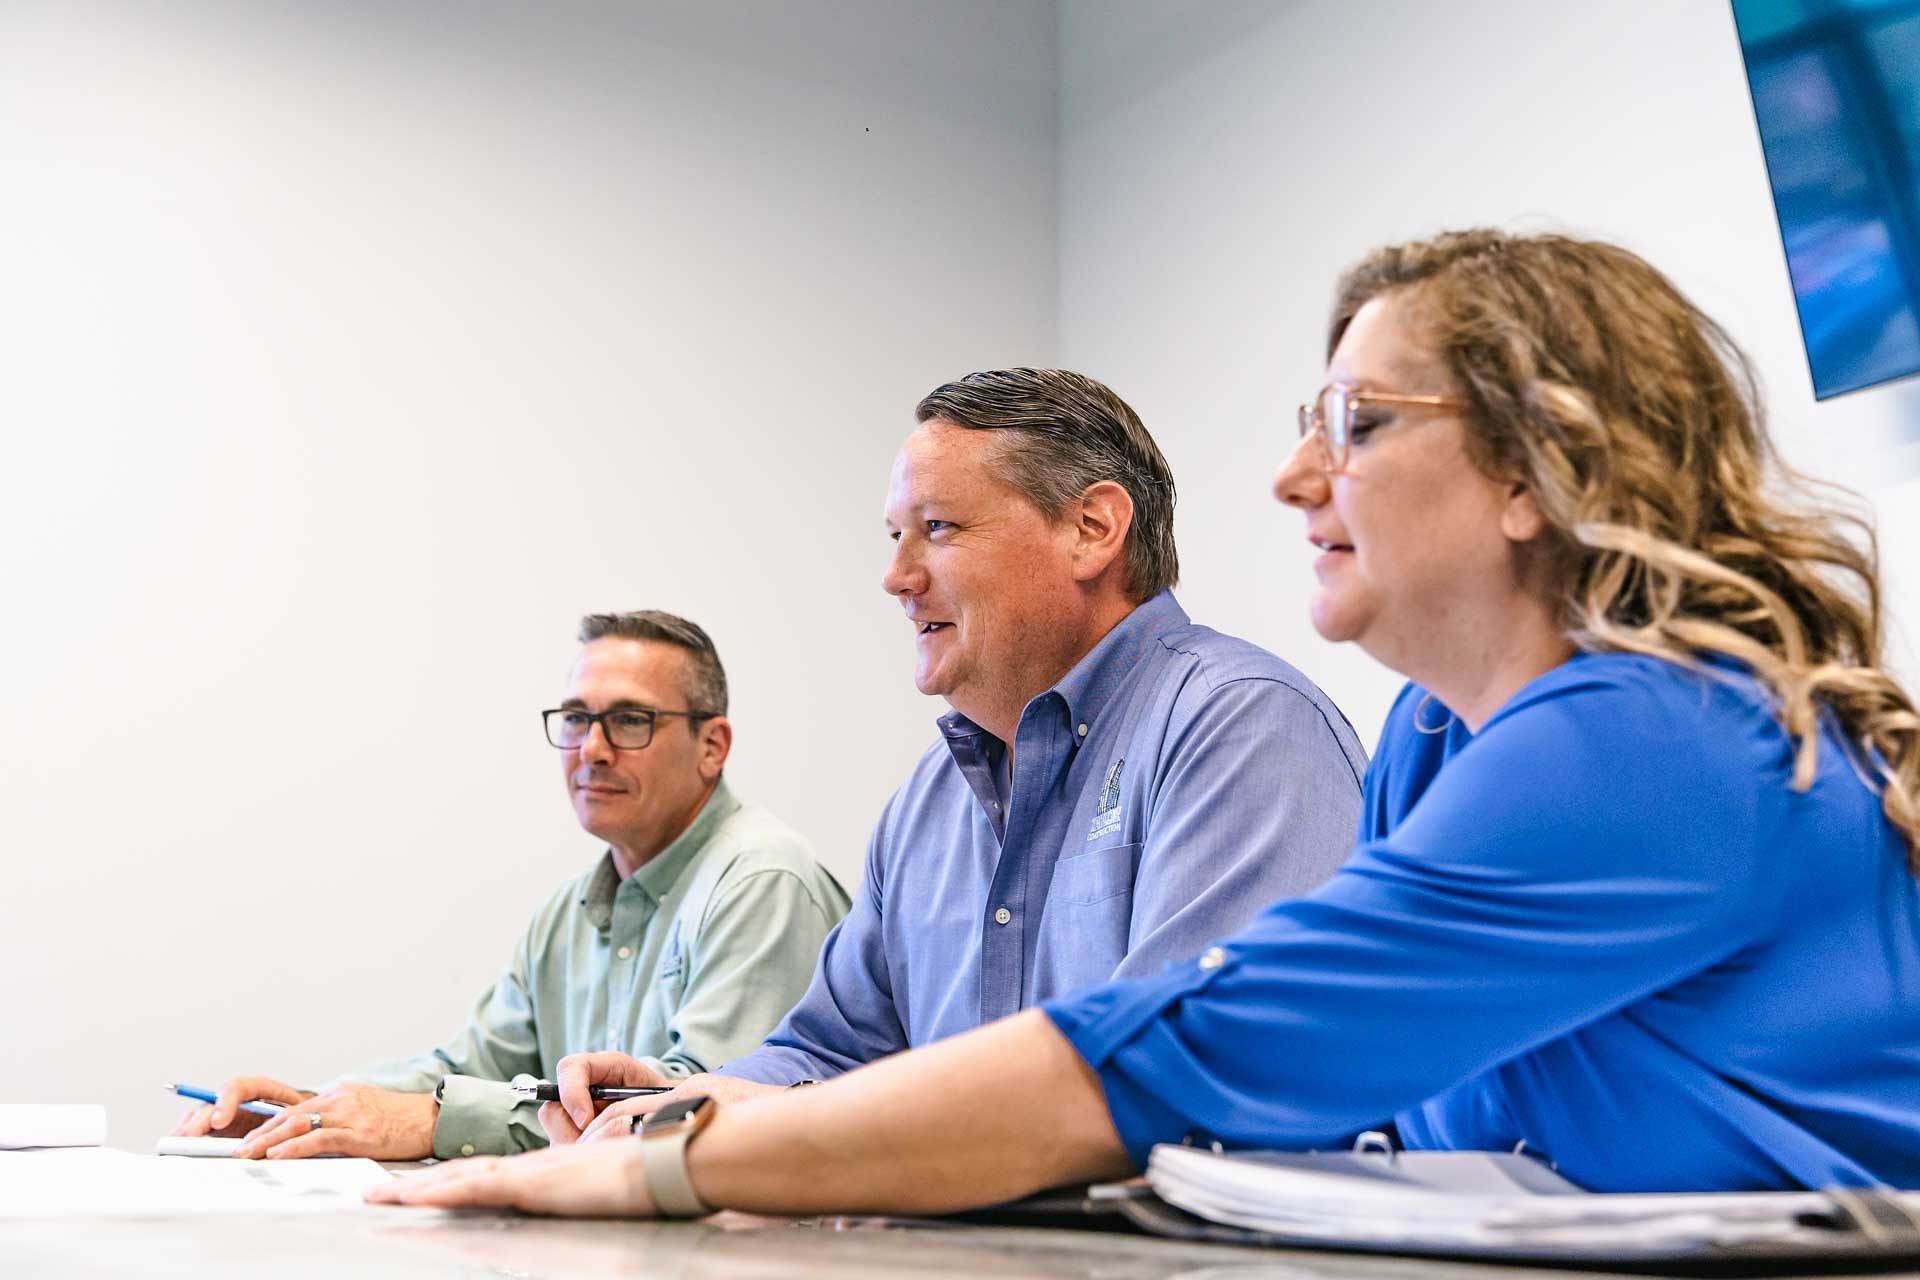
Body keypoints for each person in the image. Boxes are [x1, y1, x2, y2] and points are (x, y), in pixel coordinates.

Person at [369, 229, 1920, 1216]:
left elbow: (1180, 1059)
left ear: (1534, 471)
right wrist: (712, 1118)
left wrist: (667, 1172)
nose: (1294, 480)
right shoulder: (1437, 741)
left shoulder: (1654, 733)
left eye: (1357, 426)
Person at [534, 367, 1367, 1143]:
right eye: (897, 536)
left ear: (1092, 529)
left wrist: (810, 1124)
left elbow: (1167, 1083)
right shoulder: (931, 798)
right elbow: (830, 1055)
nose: (896, 577)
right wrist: (688, 1103)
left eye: (937, 529)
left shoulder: (1242, 731)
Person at [175, 610, 849, 1160]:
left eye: (630, 720)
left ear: (713, 746)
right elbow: (473, 1063)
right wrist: (310, 1108)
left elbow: (692, 1112)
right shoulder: (568, 910)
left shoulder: (763, 879)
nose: (592, 749)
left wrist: (429, 1120)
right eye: (577, 718)